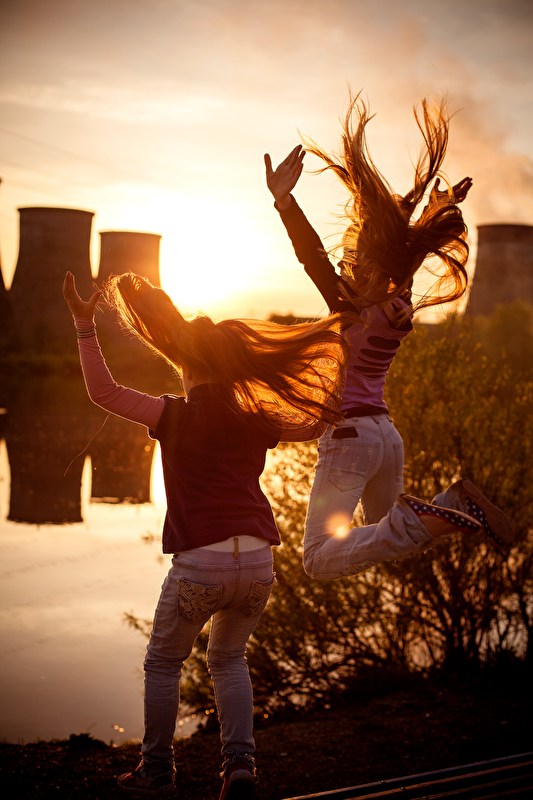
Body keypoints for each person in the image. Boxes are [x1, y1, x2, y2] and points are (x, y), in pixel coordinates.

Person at [63, 269, 350, 799]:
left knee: (163, 664)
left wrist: (85, 325)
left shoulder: (172, 414)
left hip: (202, 564)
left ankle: (156, 773)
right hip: (258, 562)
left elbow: (103, 391)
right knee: (229, 659)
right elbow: (315, 423)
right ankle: (240, 766)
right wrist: (345, 372)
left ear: (187, 367)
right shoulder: (254, 416)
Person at [264, 94, 514, 581]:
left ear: (364, 262)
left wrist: (285, 202)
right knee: (389, 541)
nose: (343, 262)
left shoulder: (352, 307)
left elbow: (311, 256)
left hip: (351, 438)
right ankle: (449, 503)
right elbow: (399, 250)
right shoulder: (399, 303)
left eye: (351, 257)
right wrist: (436, 207)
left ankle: (429, 513)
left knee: (318, 558)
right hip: (386, 437)